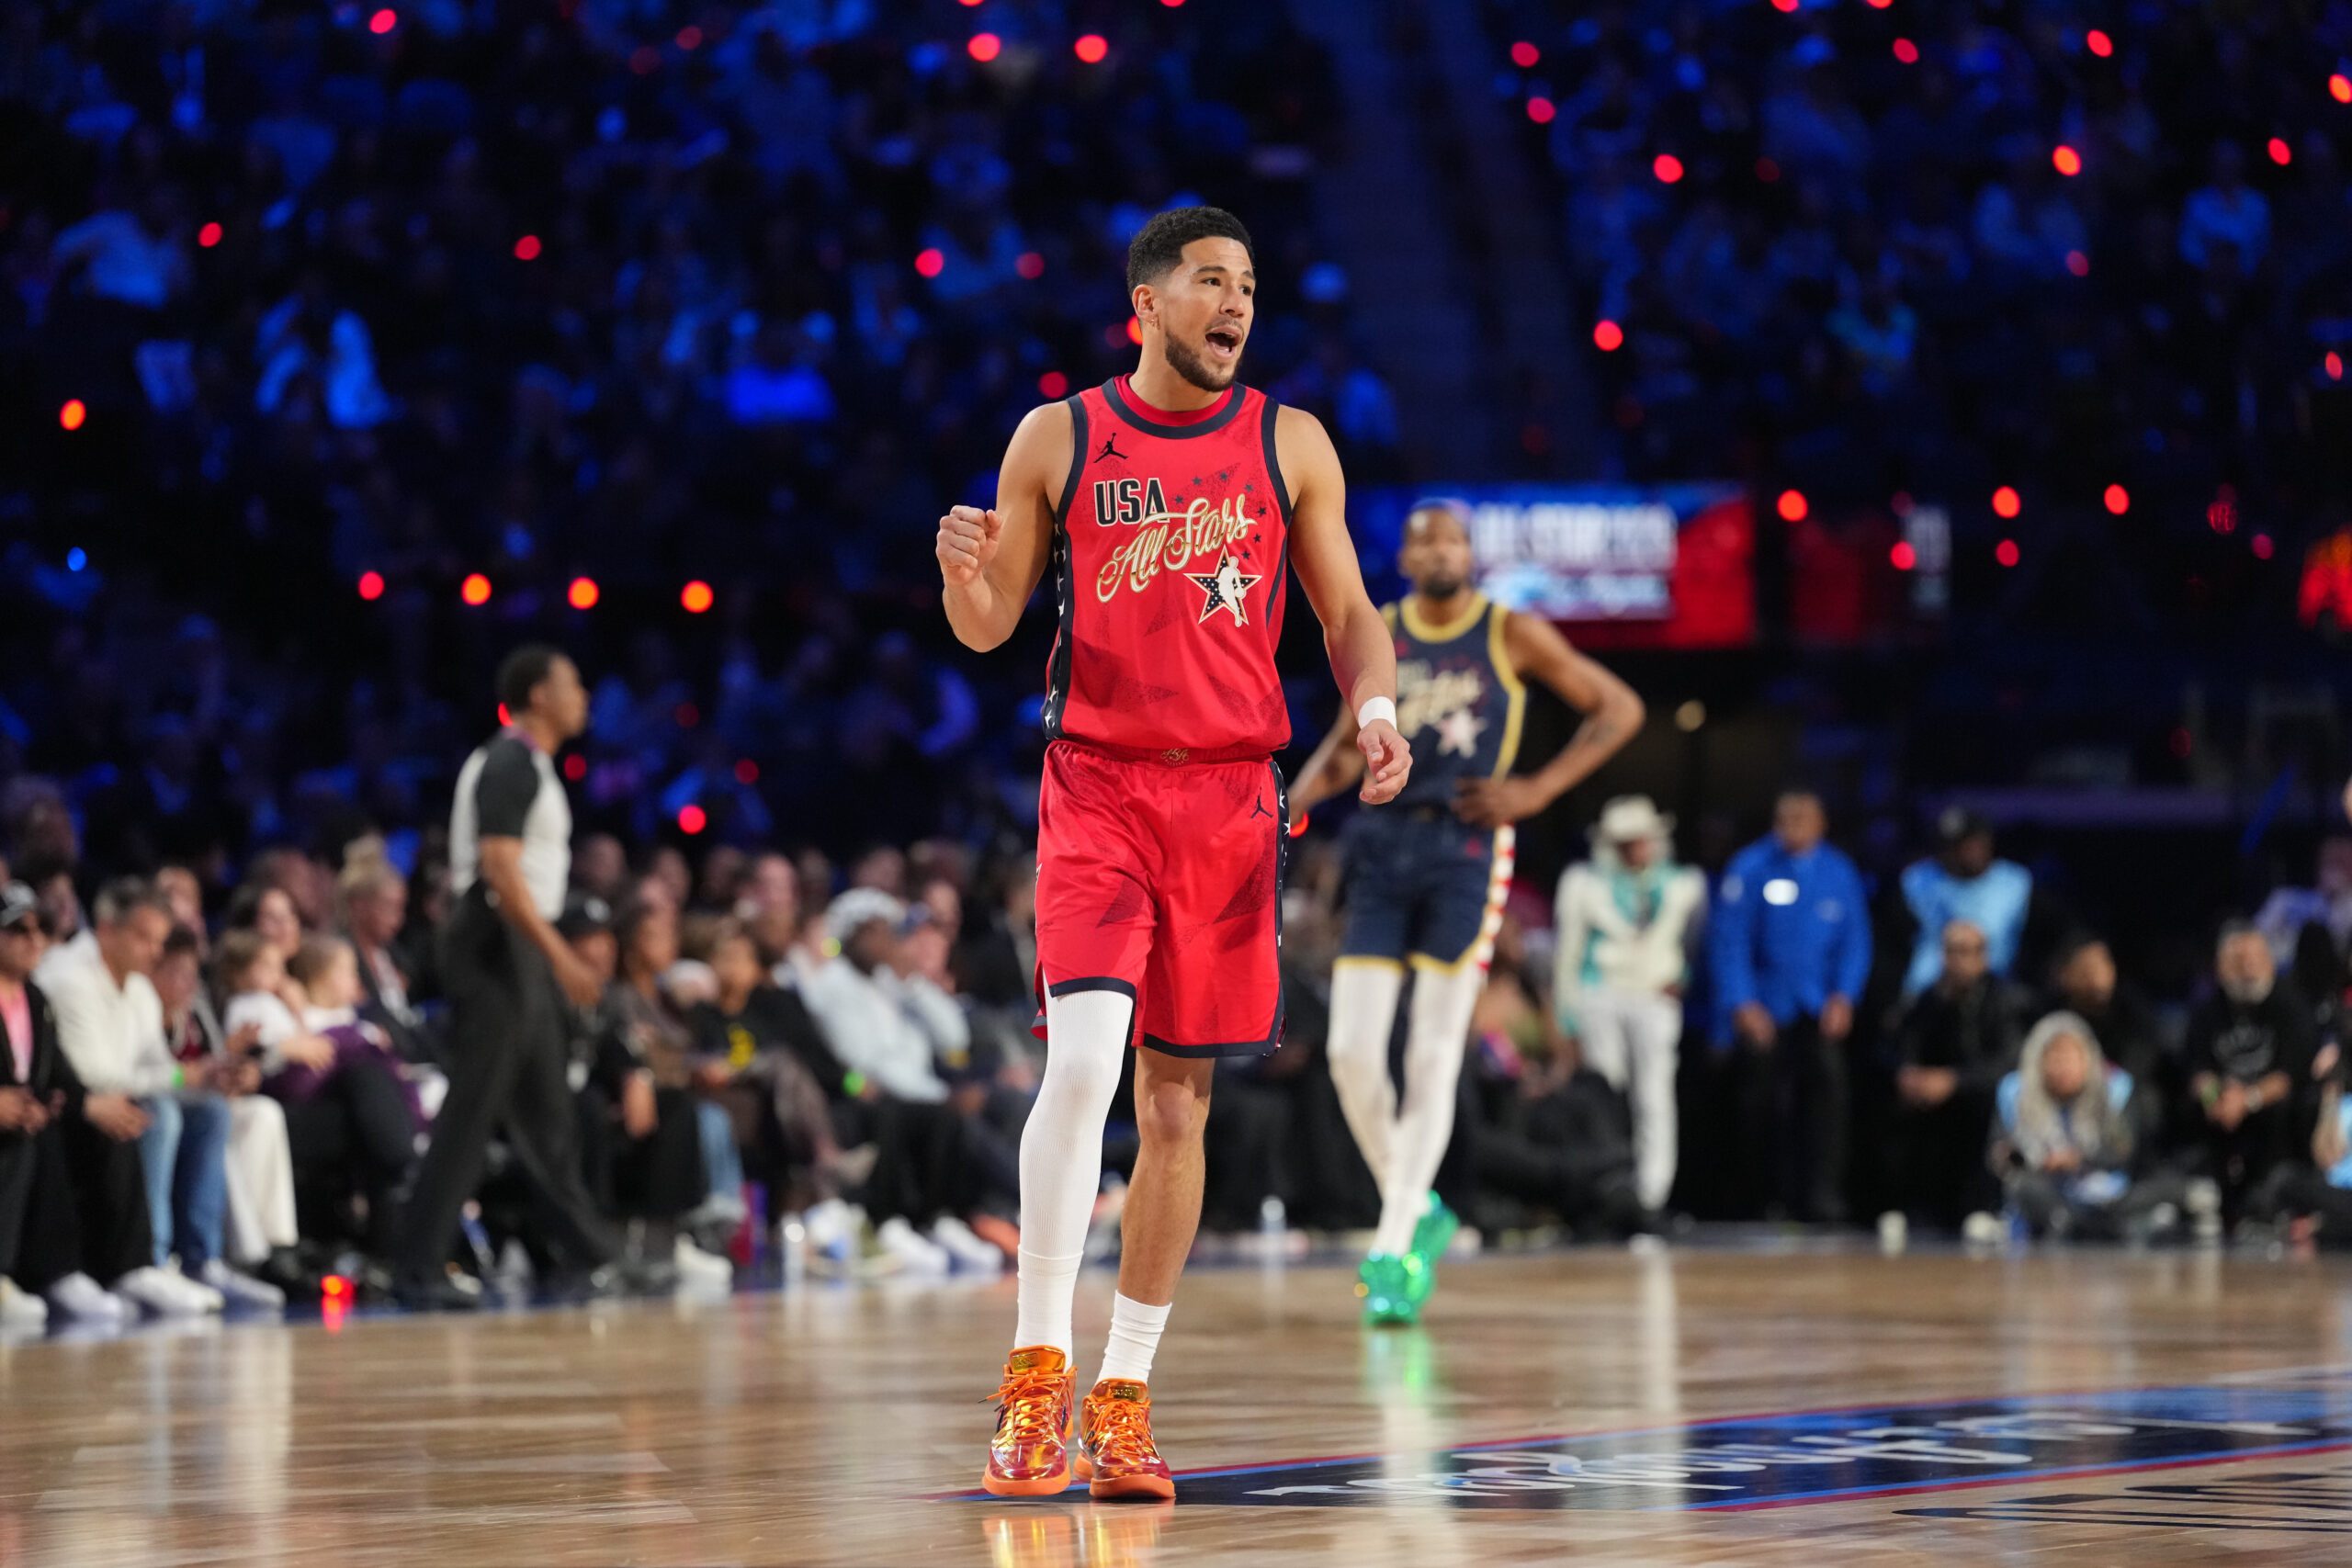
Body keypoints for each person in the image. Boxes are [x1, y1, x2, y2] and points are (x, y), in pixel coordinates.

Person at [938, 206, 1411, 1501]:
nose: (1236, 302)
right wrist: (959, 574)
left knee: (1176, 1103)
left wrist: (1372, 709)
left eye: (1249, 284)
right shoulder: (1063, 433)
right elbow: (989, 626)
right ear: (1144, 302)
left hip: (1230, 802)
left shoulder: (1289, 441)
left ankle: (1124, 1393)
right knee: (1085, 1059)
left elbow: (1351, 610)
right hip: (1095, 786)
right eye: (1211, 280)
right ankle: (1035, 1372)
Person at [1287, 498, 1643, 1322]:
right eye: (1426, 541)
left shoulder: (1507, 630)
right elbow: (1347, 746)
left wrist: (1537, 790)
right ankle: (1415, 1208)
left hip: (1467, 847)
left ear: (1470, 553)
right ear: (1407, 559)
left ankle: (1391, 1249)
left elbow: (1618, 707)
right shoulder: (1382, 624)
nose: (1442, 550)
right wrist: (1290, 805)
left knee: (1435, 1051)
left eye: (1454, 538)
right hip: (1381, 847)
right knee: (1348, 1051)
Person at [392, 647, 663, 1309]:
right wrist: (560, 953)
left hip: (517, 942)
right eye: (572, 683)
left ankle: (593, 1253)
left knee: (548, 1109)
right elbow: (499, 868)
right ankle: (416, 1266)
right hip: (493, 941)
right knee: (473, 1107)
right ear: (538, 695)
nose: (585, 694)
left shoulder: (531, 763)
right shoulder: (510, 761)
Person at [38, 878, 266, 1313]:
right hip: (71, 1108)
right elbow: (95, 1077)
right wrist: (183, 1077)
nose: (154, 952)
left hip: (115, 1099)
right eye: (143, 938)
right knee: (161, 1112)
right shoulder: (69, 979)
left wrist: (205, 1076)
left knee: (211, 1113)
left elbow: (157, 1066)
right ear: (106, 929)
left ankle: (202, 1259)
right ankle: (149, 1259)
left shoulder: (139, 988)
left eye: (158, 941)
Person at [0, 882, 167, 1326]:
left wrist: (88, 1105)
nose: (34, 940)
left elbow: (59, 1077)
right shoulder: (61, 987)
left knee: (111, 1117)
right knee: (35, 1142)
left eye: (39, 929)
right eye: (17, 930)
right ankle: (31, 1273)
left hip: (24, 1121)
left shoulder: (33, 999)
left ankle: (120, 1267)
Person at [1710, 789, 1872, 1223]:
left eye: (1804, 818)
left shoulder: (1838, 872)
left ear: (1822, 824)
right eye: (1787, 818)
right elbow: (1730, 939)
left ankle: (1821, 1196)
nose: (1794, 827)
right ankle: (1759, 1198)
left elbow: (1855, 942)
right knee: (1758, 1104)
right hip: (1765, 1005)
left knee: (1827, 1097)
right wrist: (1741, 1001)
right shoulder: (1751, 867)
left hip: (1816, 1006)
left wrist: (1845, 995)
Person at [1553, 795, 1702, 1221]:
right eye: (1624, 842)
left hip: (1655, 996)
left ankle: (1651, 1195)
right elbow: (1569, 951)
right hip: (1602, 993)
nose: (1634, 850)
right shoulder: (1584, 883)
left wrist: (1684, 978)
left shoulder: (1683, 885)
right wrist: (1567, 1017)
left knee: (1654, 1094)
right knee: (1606, 1092)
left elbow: (1696, 944)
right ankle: (1612, 1185)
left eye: (1640, 840)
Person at [1989, 1012, 2188, 1240]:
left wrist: (2079, 1159)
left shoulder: (2115, 1089)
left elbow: (2123, 1151)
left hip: (2105, 1193)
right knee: (2023, 1187)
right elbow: (2000, 1155)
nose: (2063, 1067)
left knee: (2167, 1185)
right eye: (2054, 1057)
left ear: (2088, 1058)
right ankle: (2080, 1224)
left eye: (2071, 1057)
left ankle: (2093, 1224)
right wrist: (2027, 1159)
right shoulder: (2015, 1092)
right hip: (2049, 1191)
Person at [1886, 920, 2022, 1235]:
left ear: (1983, 956)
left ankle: (1981, 1207)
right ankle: (1907, 1209)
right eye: (1950, 951)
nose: (1956, 960)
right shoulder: (1929, 998)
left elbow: (2008, 1062)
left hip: (1978, 1094)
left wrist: (1955, 1081)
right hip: (1932, 1095)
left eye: (1965, 951)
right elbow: (1906, 1045)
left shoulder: (2004, 999)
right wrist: (1908, 1073)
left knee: (1988, 1105)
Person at [2182, 921, 2319, 1224]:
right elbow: (2199, 1070)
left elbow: (2288, 1075)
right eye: (2238, 961)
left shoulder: (2291, 1004)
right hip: (2223, 1105)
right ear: (2220, 966)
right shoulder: (2207, 1009)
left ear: (2270, 961)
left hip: (2269, 1106)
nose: (2247, 969)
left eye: (2254, 959)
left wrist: (2247, 1099)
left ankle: (2272, 1199)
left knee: (2288, 1109)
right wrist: (2214, 1098)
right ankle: (2202, 1198)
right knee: (2192, 1112)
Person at [1897, 808, 2034, 999]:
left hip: (1995, 993)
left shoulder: (2014, 882)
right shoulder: (1917, 880)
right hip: (1927, 992)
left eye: (1968, 843)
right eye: (1953, 845)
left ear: (1986, 842)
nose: (1961, 852)